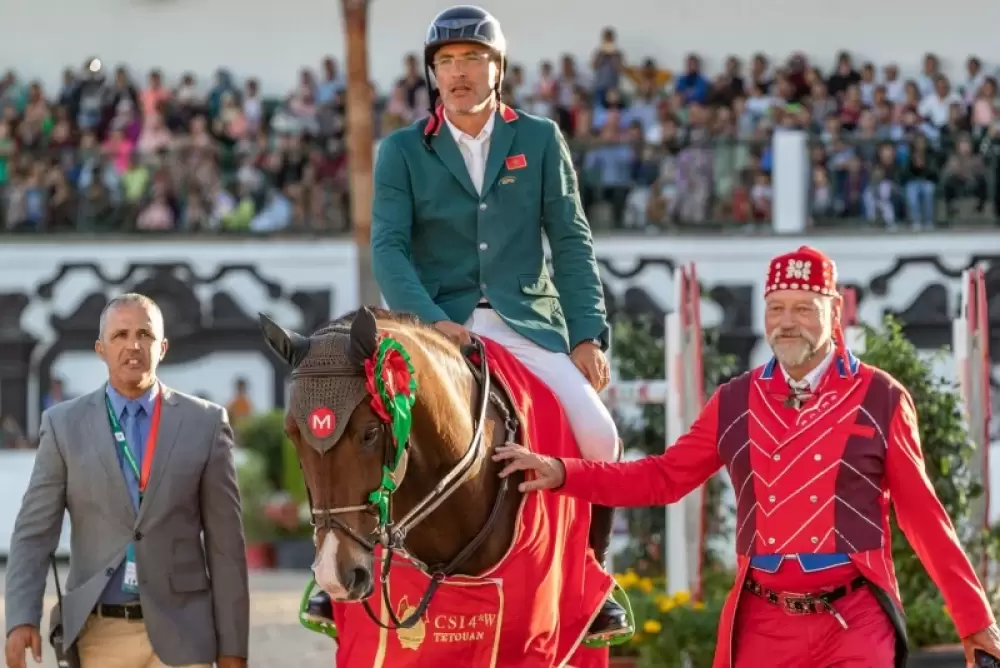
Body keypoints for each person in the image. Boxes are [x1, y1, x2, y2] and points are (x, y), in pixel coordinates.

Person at [493, 246, 1000, 667]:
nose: (787, 322)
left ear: (835, 310)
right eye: (776, 308)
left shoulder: (881, 396)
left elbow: (923, 517)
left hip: (855, 621)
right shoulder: (735, 400)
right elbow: (664, 478)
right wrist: (563, 472)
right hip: (762, 621)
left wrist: (974, 619)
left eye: (804, 308)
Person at [319, 3, 626, 640]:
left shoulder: (539, 139)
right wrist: (433, 323)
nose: (459, 73)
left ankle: (596, 579)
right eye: (446, 62)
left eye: (472, 60)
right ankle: (330, 571)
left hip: (527, 323)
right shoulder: (402, 149)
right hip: (432, 325)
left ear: (498, 68)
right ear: (433, 75)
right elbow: (389, 250)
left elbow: (570, 241)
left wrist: (589, 334)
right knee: (359, 421)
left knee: (601, 441)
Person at [4, 293, 249, 668]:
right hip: (101, 635)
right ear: (100, 349)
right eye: (120, 336)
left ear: (163, 347)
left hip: (184, 634)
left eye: (144, 334)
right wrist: (21, 618)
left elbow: (226, 548)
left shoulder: (206, 423)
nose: (133, 345)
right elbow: (34, 532)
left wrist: (233, 649)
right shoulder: (63, 425)